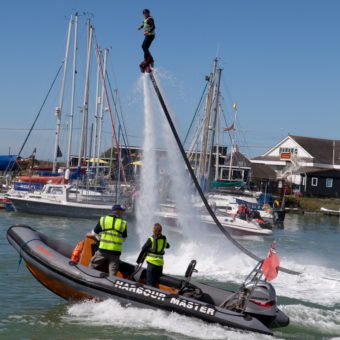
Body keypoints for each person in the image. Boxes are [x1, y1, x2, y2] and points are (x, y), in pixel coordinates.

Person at [89, 204, 127, 276]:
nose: (123, 213)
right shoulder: (123, 223)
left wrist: (100, 239)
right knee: (113, 272)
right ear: (118, 211)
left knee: (92, 264)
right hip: (115, 252)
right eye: (122, 211)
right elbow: (124, 239)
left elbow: (94, 233)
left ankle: (87, 278)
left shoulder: (103, 219)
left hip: (103, 250)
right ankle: (110, 285)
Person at [137, 223, 169, 287]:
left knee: (149, 283)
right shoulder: (164, 239)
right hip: (160, 264)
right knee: (156, 282)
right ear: (161, 230)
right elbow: (168, 246)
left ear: (154, 230)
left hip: (152, 264)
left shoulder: (151, 239)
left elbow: (143, 248)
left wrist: (139, 260)